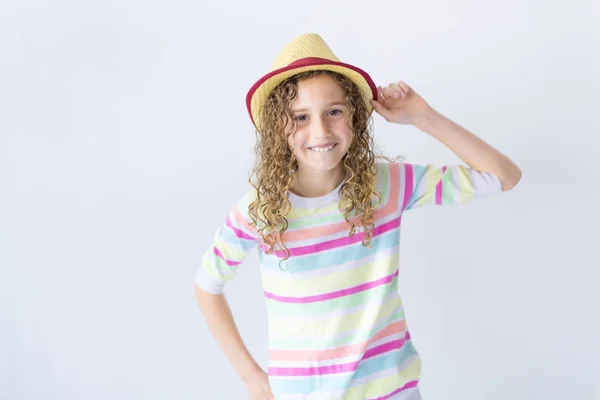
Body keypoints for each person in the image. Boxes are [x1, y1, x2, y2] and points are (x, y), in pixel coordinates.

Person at [193, 33, 522, 400]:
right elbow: (207, 286)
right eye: (300, 117)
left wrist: (422, 117)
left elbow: (503, 176)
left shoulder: (389, 185)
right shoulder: (260, 209)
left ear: (355, 116)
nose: (320, 131)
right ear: (277, 128)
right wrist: (251, 376)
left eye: (334, 111)